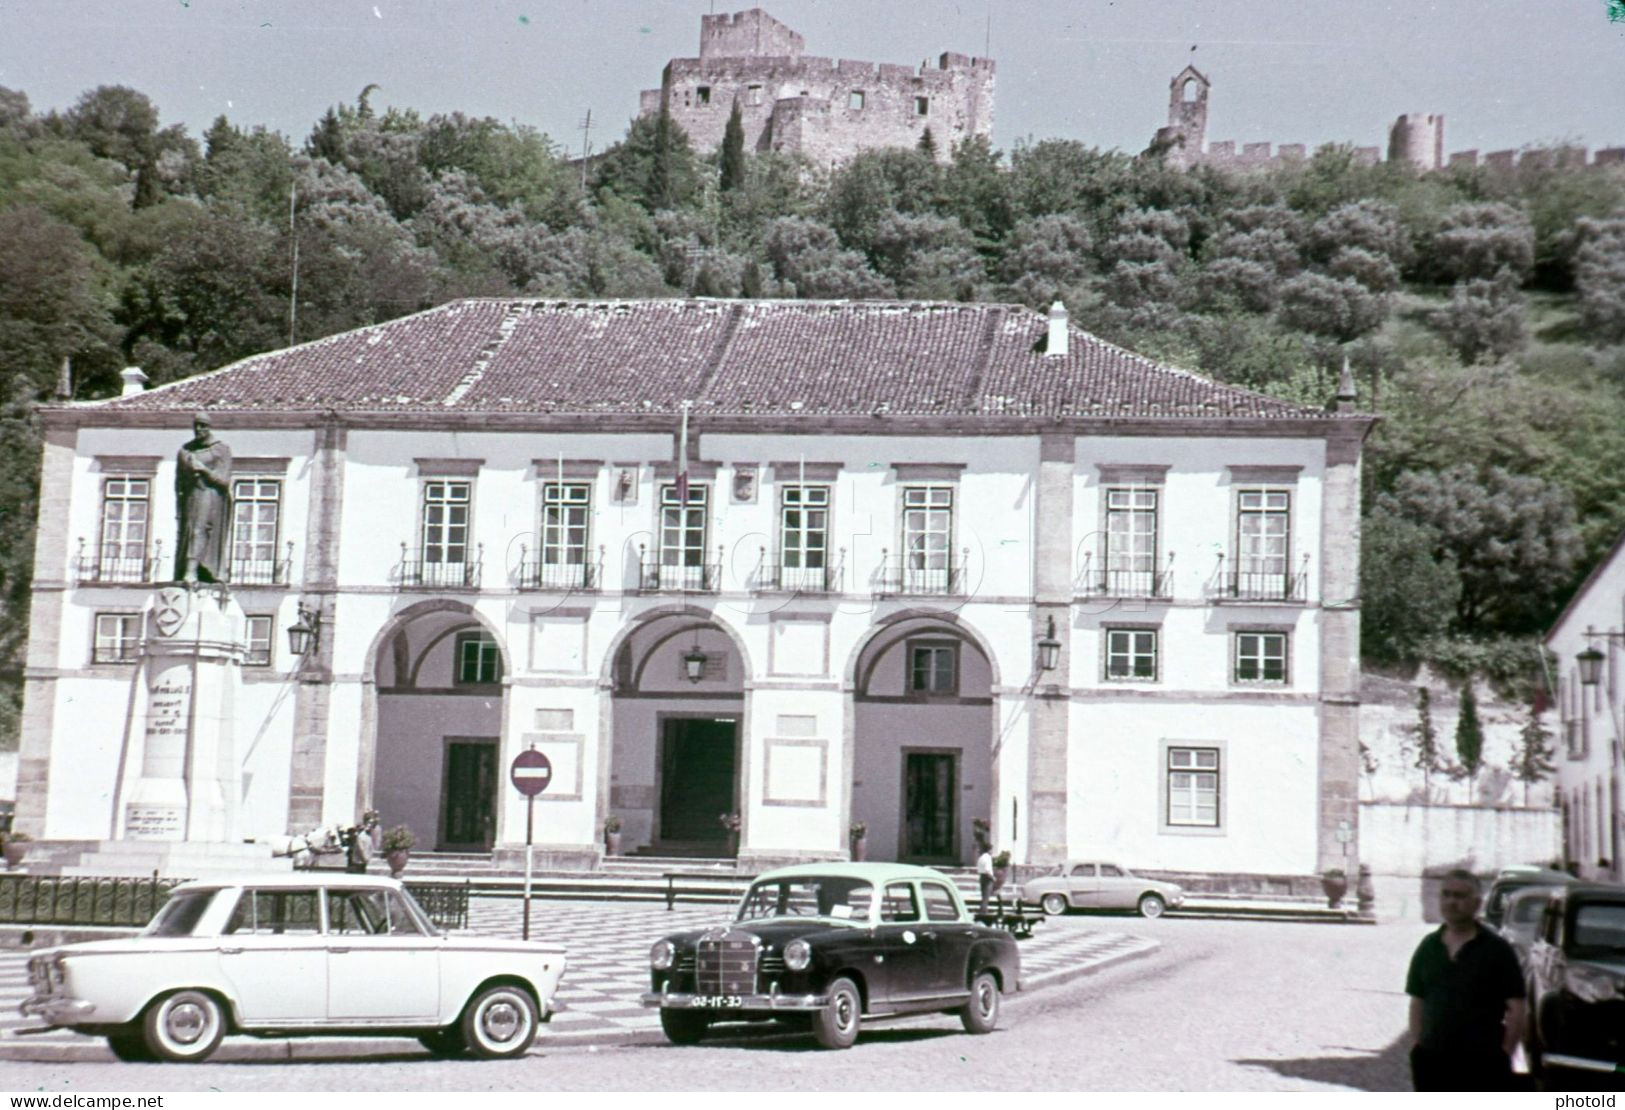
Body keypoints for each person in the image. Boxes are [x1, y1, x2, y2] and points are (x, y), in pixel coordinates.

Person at [1405, 868, 1527, 1091]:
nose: (1452, 902)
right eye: (1446, 894)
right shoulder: (1428, 947)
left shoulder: (1497, 950)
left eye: (1460, 896)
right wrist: (1417, 1048)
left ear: (1477, 903)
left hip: (1481, 1066)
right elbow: (1417, 1001)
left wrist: (1504, 1055)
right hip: (1433, 1065)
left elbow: (1517, 1008)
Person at [174, 412, 232, 584]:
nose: (199, 429)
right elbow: (178, 481)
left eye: (203, 425)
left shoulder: (220, 449)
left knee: (200, 530)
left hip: (210, 495)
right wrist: (179, 504)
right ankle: (189, 570)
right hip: (191, 496)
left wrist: (204, 470)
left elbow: (224, 480)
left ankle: (192, 572)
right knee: (188, 533)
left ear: (209, 427)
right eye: (196, 425)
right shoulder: (185, 451)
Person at [976, 841, 995, 916]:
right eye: (992, 850)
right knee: (986, 896)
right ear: (989, 849)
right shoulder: (988, 857)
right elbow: (987, 870)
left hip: (981, 876)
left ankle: (982, 909)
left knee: (983, 895)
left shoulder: (981, 857)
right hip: (987, 878)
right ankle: (984, 911)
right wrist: (993, 878)